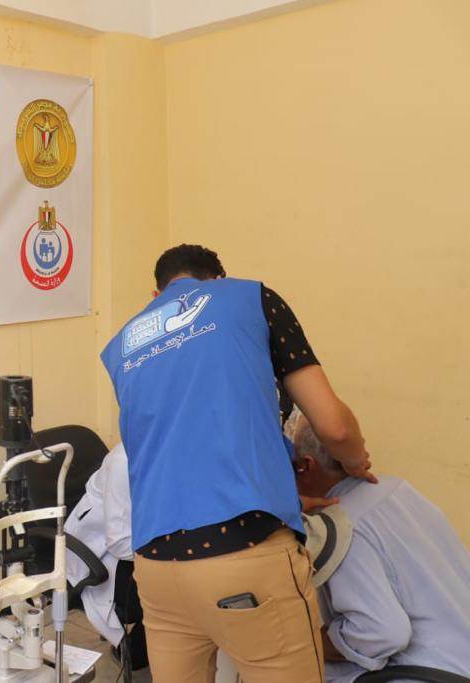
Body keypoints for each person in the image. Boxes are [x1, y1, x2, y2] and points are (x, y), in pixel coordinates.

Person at [100, 244, 375, 682]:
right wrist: (356, 461)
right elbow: (335, 428)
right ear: (218, 280)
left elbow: (181, 446)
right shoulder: (250, 298)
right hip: (243, 553)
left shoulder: (122, 346)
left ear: (157, 295)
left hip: (155, 568)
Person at [288, 411, 470, 681]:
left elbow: (382, 632)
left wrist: (313, 643)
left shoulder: (339, 525)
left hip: (429, 672)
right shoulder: (397, 488)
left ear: (306, 466)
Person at [63, 443, 148, 669]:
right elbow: (119, 542)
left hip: (136, 539)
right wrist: (166, 554)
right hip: (100, 552)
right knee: (168, 593)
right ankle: (136, 651)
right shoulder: (123, 461)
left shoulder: (170, 453)